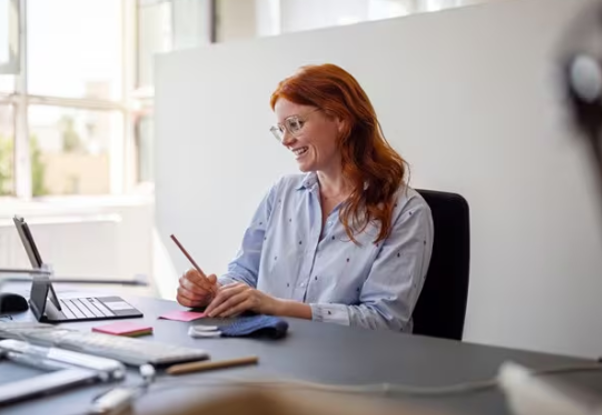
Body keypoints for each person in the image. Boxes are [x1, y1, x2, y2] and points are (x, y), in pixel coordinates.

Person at [175, 64, 434, 332]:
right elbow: (244, 274)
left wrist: (277, 307)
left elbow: (383, 321)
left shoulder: (406, 210)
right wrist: (212, 292)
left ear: (341, 120)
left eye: (295, 124)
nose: (286, 140)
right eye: (280, 129)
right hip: (270, 352)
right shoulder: (282, 193)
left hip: (351, 367)